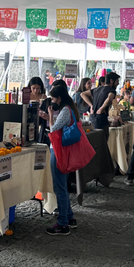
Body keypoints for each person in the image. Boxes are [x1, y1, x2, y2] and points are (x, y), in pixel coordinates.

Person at [45, 85, 80, 236]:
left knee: (59, 187)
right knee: (63, 186)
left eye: (53, 98)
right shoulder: (71, 109)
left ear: (59, 98)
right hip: (65, 151)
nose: (52, 101)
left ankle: (62, 223)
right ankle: (69, 217)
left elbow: (53, 130)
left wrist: (50, 116)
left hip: (59, 151)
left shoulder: (65, 110)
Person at [81, 72, 120, 142]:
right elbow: (109, 98)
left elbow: (83, 94)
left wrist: (91, 105)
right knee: (102, 144)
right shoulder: (112, 90)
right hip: (101, 121)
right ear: (111, 81)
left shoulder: (97, 89)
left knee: (94, 143)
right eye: (117, 81)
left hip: (92, 119)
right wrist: (102, 108)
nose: (118, 83)